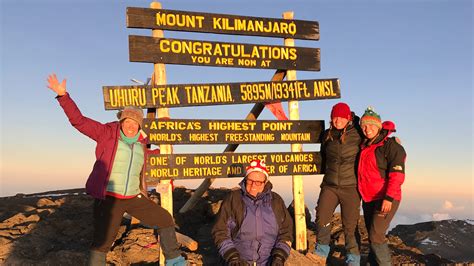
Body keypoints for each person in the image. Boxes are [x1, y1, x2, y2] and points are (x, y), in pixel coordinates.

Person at [46, 74, 186, 266]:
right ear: (121, 121)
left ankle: (175, 261)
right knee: (103, 242)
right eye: (127, 121)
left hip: (132, 197)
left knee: (164, 218)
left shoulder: (141, 144)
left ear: (139, 125)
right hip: (109, 199)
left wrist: (167, 151)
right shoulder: (106, 134)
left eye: (135, 123)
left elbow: (152, 156)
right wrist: (63, 96)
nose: (130, 126)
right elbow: (79, 121)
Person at [212, 159, 293, 266]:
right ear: (245, 179)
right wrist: (232, 256)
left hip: (269, 261)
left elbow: (286, 233)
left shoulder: (276, 201)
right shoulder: (233, 199)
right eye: (250, 181)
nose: (253, 185)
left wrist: (279, 256)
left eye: (258, 182)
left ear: (266, 182)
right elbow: (220, 232)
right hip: (239, 261)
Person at [312, 102, 362, 265]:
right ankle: (321, 253)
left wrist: (391, 139)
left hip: (351, 187)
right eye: (334, 117)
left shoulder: (358, 133)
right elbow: (323, 156)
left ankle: (353, 259)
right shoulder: (328, 135)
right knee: (322, 217)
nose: (337, 120)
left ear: (348, 118)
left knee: (350, 225)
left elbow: (374, 138)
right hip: (330, 185)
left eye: (341, 117)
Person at [358, 107, 406, 265]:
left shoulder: (390, 146)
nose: (367, 129)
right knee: (373, 234)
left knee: (376, 235)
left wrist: (388, 197)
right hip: (368, 198)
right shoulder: (365, 145)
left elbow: (397, 175)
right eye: (364, 125)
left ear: (379, 127)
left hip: (386, 197)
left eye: (371, 125)